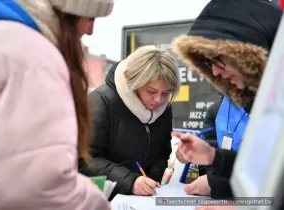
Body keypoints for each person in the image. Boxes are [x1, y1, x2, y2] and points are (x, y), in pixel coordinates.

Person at [0, 0, 114, 209]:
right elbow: (37, 187)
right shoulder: (30, 56)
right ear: (68, 12)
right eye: (90, 18)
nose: (90, 31)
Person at [171, 0, 282, 202]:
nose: (214, 71)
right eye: (208, 63)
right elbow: (262, 175)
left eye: (217, 58)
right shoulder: (262, 101)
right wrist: (212, 156)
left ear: (249, 50)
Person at [79, 45, 181, 199]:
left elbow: (162, 152)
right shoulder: (100, 102)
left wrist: (151, 179)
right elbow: (86, 159)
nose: (159, 100)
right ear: (135, 83)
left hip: (143, 199)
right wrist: (130, 182)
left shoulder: (164, 107)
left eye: (166, 93)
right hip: (103, 198)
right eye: (151, 91)